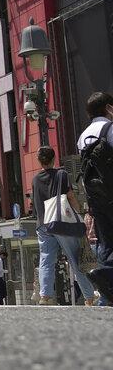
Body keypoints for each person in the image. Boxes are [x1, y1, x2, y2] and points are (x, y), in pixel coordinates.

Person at [29, 146, 97, 305]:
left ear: (39, 160)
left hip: (43, 224)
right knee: (74, 259)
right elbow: (71, 197)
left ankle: (45, 296)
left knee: (46, 260)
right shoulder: (61, 174)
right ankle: (89, 296)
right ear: (54, 159)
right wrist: (78, 213)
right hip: (61, 223)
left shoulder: (35, 179)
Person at [77, 91, 113, 304]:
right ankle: (104, 274)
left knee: (107, 240)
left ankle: (105, 281)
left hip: (96, 195)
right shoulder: (108, 127)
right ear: (108, 107)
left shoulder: (83, 136)